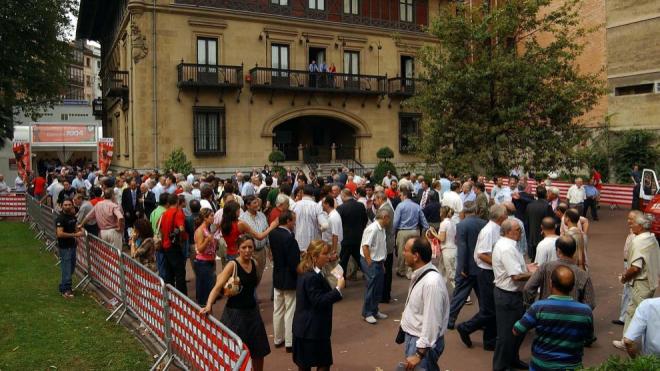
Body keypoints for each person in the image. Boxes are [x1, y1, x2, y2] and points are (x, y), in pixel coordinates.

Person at [201, 235, 271, 371]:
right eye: (243, 247)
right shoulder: (232, 265)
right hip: (235, 314)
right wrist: (209, 305)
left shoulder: (255, 264)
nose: (247, 250)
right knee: (233, 353)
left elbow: (254, 284)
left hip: (253, 313)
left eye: (250, 247)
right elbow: (216, 288)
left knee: (258, 352)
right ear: (238, 249)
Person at [513, 266, 594, 370]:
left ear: (551, 284)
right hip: (572, 367)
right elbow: (589, 338)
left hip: (540, 366)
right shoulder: (585, 311)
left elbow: (517, 330)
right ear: (573, 286)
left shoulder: (538, 307)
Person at [454, 204, 506, 348]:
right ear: (501, 216)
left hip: (489, 271)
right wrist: (498, 264)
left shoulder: (494, 229)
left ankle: (489, 341)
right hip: (486, 272)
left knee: (490, 309)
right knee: (489, 310)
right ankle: (466, 327)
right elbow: (482, 254)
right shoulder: (489, 230)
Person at [292, 240, 344, 371]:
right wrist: (338, 289)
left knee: (306, 365)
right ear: (315, 257)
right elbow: (318, 301)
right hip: (312, 330)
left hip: (308, 329)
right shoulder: (311, 277)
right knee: (322, 364)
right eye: (324, 254)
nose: (328, 256)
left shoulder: (310, 272)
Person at [491, 219, 536, 371]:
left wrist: (527, 268)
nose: (521, 232)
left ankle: (512, 360)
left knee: (517, 331)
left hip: (511, 294)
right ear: (509, 232)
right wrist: (535, 274)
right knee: (506, 335)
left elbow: (515, 269)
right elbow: (516, 276)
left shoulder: (508, 245)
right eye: (518, 230)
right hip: (508, 295)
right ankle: (500, 367)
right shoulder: (507, 248)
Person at [400, 237, 449, 371]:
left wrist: (419, 353)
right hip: (416, 339)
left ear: (416, 256)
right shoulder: (423, 274)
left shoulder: (431, 283)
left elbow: (432, 321)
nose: (403, 253)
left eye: (406, 250)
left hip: (421, 344)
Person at [613, 211, 660, 350]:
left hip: (641, 282)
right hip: (651, 281)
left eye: (633, 223)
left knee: (636, 312)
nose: (630, 225)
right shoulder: (652, 237)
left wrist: (624, 278)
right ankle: (626, 339)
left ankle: (629, 341)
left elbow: (635, 268)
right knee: (633, 310)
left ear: (640, 225)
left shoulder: (638, 241)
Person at [525, 236, 596, 309]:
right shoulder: (583, 274)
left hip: (546, 312)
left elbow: (528, 288)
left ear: (558, 251)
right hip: (571, 316)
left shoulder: (545, 267)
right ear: (574, 251)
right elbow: (590, 303)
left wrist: (530, 307)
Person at [269, 210, 300, 352]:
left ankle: (278, 338)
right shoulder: (289, 238)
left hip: (277, 275)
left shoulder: (273, 234)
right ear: (288, 221)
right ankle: (289, 342)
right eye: (293, 220)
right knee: (290, 310)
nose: (294, 223)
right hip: (289, 278)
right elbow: (294, 263)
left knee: (278, 309)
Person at [360, 208, 391, 324]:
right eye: (388, 218)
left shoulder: (381, 228)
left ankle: (374, 310)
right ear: (384, 218)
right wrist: (369, 263)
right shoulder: (372, 229)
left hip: (377, 261)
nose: (389, 221)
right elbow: (365, 246)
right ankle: (367, 312)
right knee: (372, 287)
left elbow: (379, 247)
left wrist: (381, 263)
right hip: (371, 261)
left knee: (378, 287)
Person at [394, 187, 429, 279]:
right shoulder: (417, 206)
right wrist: (426, 229)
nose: (400, 197)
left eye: (401, 195)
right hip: (415, 231)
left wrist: (393, 232)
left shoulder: (400, 206)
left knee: (402, 251)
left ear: (405, 196)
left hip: (403, 232)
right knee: (414, 251)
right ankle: (412, 270)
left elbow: (395, 221)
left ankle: (402, 270)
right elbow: (423, 220)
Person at [159, 194, 188, 294]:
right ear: (177, 202)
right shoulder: (177, 212)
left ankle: (171, 295)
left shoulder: (165, 213)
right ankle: (182, 297)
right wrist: (183, 237)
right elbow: (181, 228)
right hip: (174, 245)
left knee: (170, 272)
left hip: (165, 245)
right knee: (180, 272)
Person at [55, 199, 84, 298]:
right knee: (67, 268)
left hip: (72, 246)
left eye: (69, 205)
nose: (67, 206)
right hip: (65, 247)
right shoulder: (60, 218)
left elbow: (75, 227)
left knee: (71, 268)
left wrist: (80, 230)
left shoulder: (72, 217)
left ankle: (63, 286)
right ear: (62, 206)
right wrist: (75, 234)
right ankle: (66, 290)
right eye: (65, 205)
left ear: (72, 205)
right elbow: (59, 233)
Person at [337, 189, 368, 279]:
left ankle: (340, 281)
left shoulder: (341, 208)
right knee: (361, 260)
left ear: (343, 196)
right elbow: (365, 220)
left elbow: (338, 223)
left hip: (345, 239)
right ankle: (370, 275)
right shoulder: (360, 206)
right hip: (358, 237)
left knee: (341, 262)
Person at [240, 195, 271, 278]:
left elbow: (266, 232)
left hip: (261, 252)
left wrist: (270, 248)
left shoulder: (262, 216)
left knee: (259, 275)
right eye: (254, 203)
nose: (257, 204)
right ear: (247, 205)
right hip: (249, 253)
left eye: (257, 202)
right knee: (249, 277)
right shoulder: (242, 219)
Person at [292, 185, 328, 253]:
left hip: (298, 241)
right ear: (312, 194)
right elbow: (325, 225)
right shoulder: (316, 206)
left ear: (302, 193)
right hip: (313, 243)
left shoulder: (294, 205)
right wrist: (320, 230)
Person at [193, 208, 217, 306]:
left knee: (209, 290)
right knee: (205, 292)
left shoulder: (208, 229)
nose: (213, 217)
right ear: (205, 218)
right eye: (211, 216)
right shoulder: (200, 231)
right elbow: (200, 248)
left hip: (209, 262)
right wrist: (207, 240)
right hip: (203, 263)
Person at [524, 186, 553, 261]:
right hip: (543, 236)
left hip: (532, 236)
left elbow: (526, 222)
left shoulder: (529, 205)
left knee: (534, 258)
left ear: (536, 194)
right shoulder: (547, 206)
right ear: (546, 194)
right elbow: (550, 221)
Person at [432, 206, 457, 290]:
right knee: (441, 270)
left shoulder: (443, 223)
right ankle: (439, 288)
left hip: (447, 250)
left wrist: (433, 233)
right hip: (452, 248)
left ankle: (464, 296)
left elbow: (442, 238)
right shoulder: (452, 222)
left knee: (451, 274)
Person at [321, 196, 343, 288]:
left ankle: (334, 290)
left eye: (323, 203)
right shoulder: (333, 215)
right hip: (332, 245)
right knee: (335, 268)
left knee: (331, 269)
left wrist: (333, 251)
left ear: (327, 204)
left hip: (332, 246)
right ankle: (339, 286)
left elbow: (335, 235)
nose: (321, 205)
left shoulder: (333, 217)